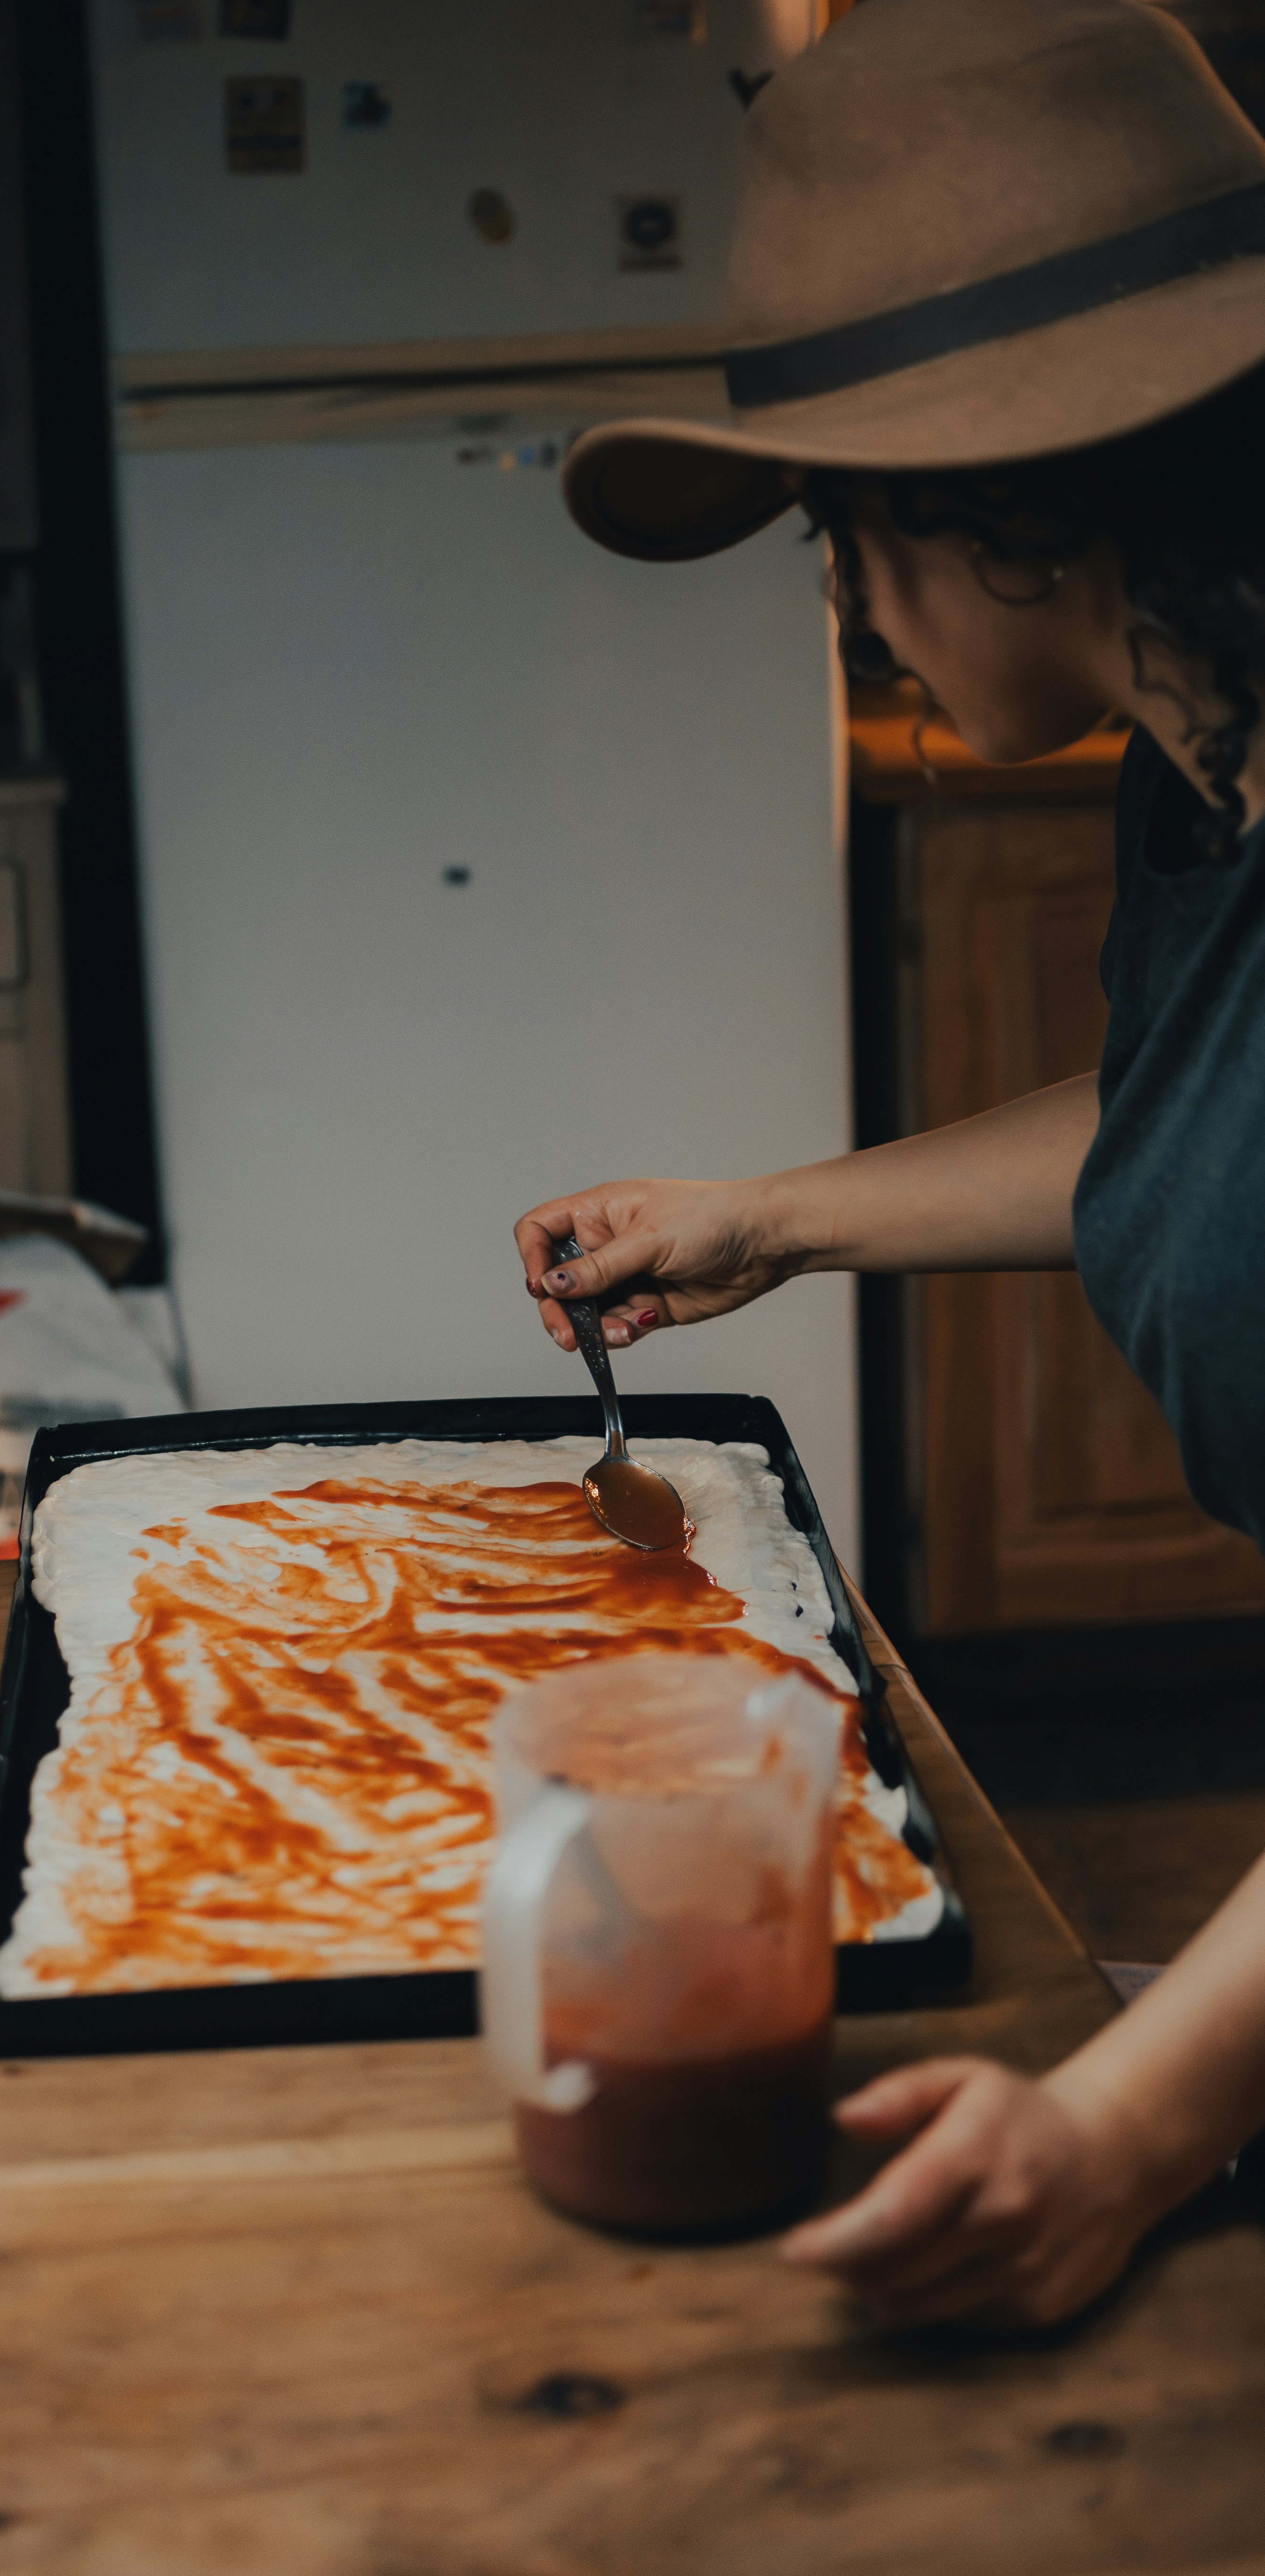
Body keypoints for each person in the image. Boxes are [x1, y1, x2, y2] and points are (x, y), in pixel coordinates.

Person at [515, 0, 1265, 2326]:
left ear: (1005, 503)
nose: (843, 601)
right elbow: (1195, 1134)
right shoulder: (1210, 763)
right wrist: (775, 1217)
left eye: (841, 527)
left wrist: (1128, 2129)